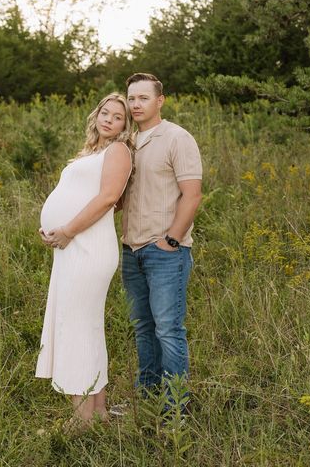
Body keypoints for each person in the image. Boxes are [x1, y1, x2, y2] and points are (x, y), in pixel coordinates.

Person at [35, 92, 133, 428]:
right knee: (87, 327)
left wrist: (67, 230)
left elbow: (109, 198)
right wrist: (54, 228)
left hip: (87, 246)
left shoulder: (118, 150)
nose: (108, 119)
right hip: (71, 244)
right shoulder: (92, 151)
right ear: (97, 115)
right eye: (105, 113)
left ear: (126, 125)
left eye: (117, 117)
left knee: (77, 327)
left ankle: (81, 420)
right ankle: (99, 413)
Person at [119, 72, 202, 413]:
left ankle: (175, 409)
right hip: (131, 249)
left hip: (165, 251)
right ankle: (148, 400)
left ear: (159, 101)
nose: (135, 104)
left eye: (143, 98)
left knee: (168, 330)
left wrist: (172, 239)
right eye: (131, 98)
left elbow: (192, 195)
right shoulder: (127, 144)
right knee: (143, 328)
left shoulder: (177, 138)